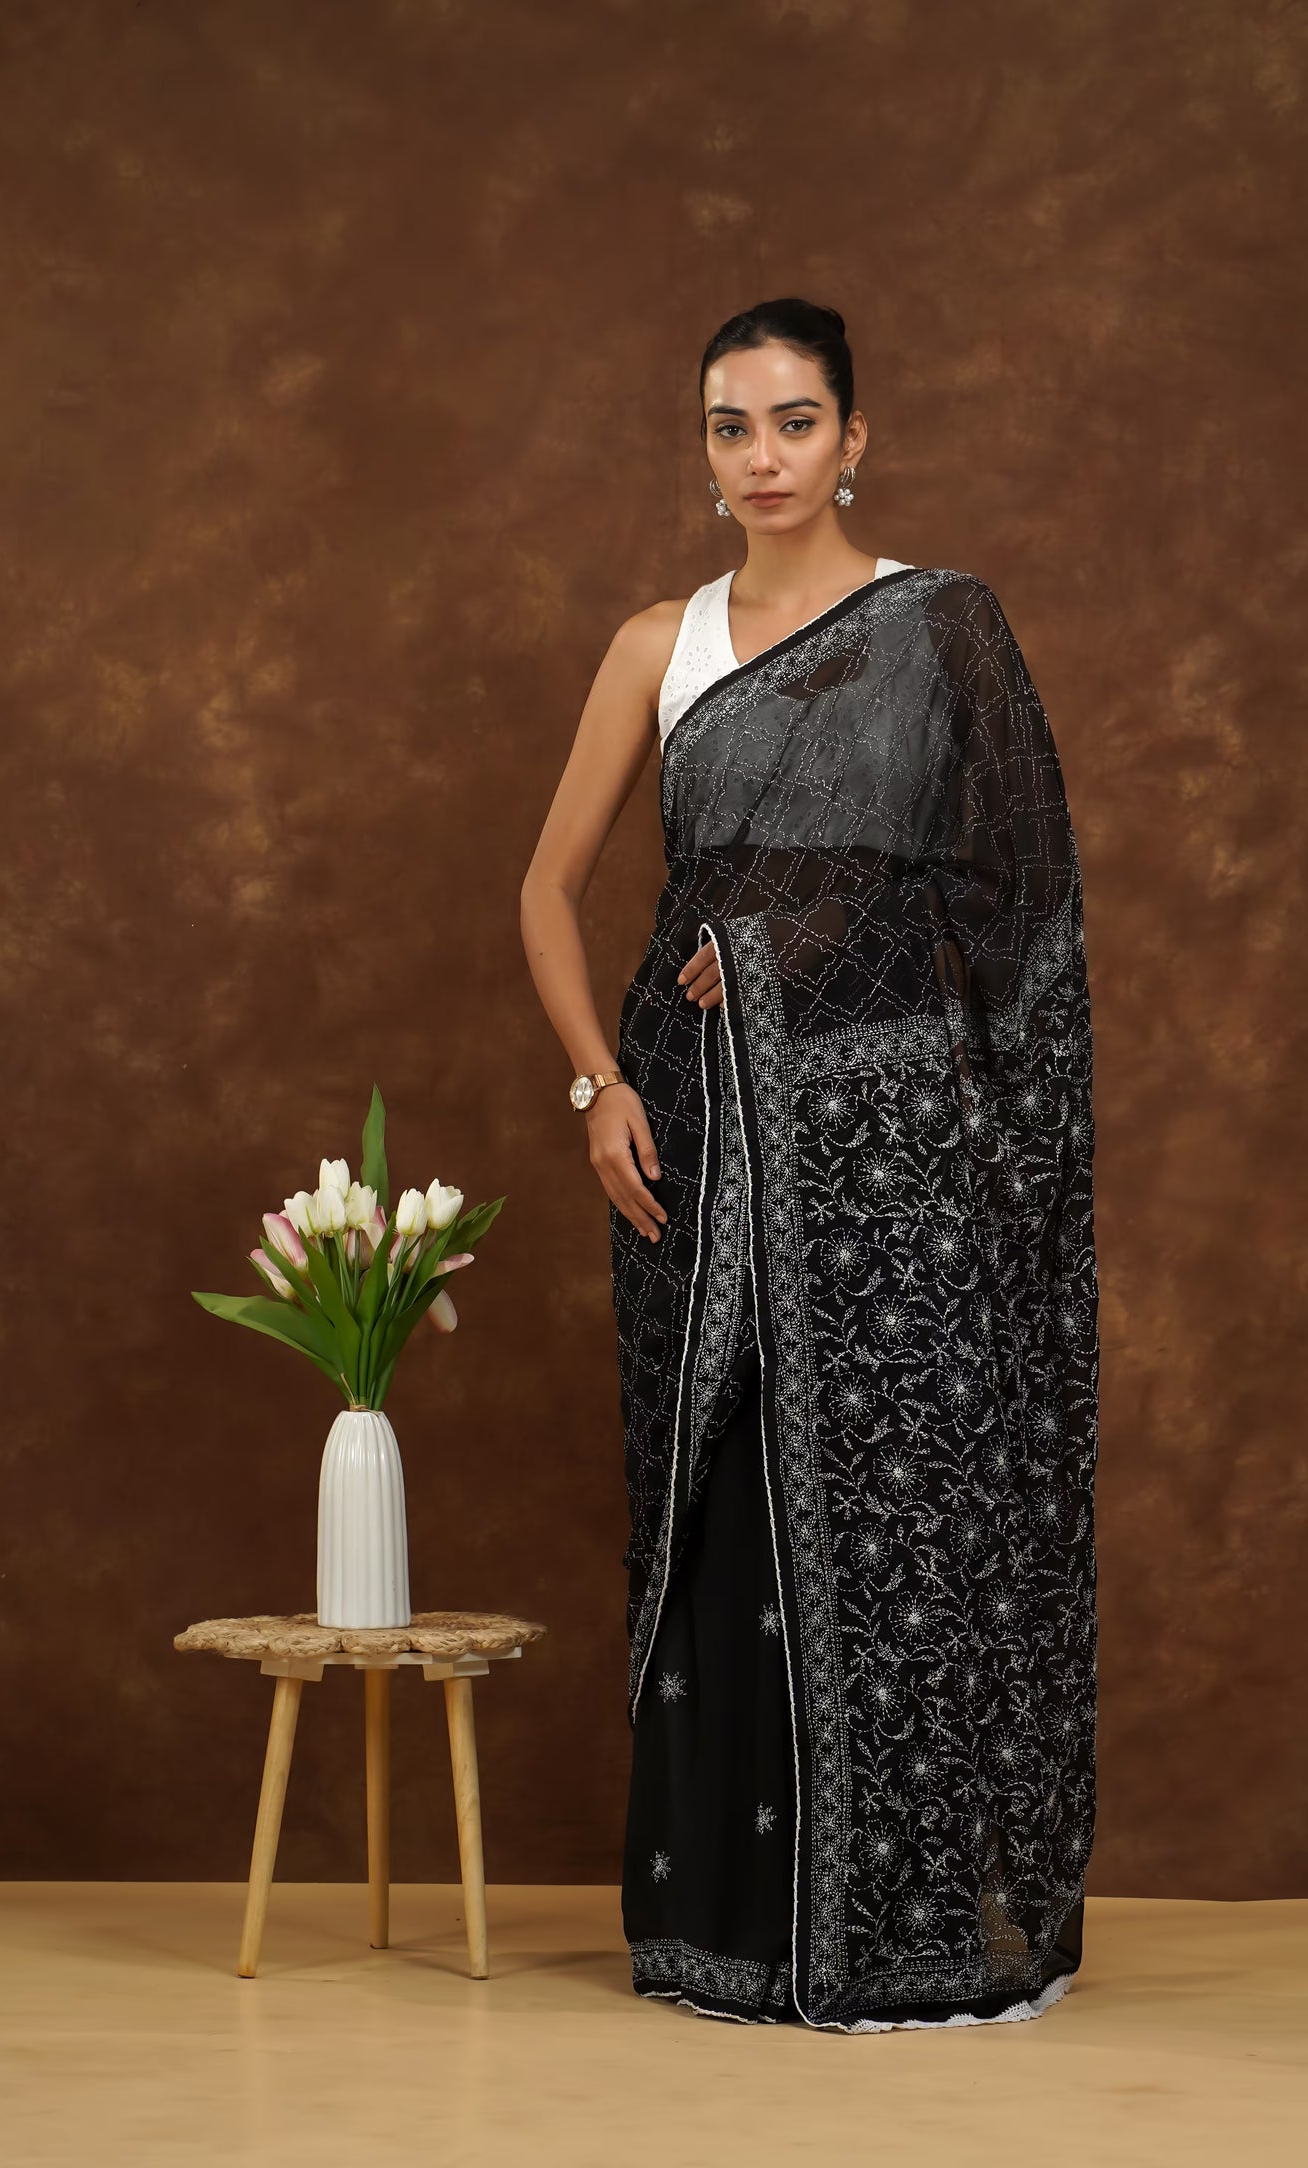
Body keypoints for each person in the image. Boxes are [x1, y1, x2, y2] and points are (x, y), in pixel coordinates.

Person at [519, 298, 1099, 2031]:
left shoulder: (940, 628)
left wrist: (784, 967)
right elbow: (546, 892)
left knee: (893, 1500)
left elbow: (1013, 902)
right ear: (701, 451)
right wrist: (595, 1087)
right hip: (694, 1124)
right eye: (726, 427)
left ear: (857, 438)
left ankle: (908, 1932)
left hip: (896, 1139)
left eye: (790, 423)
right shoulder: (658, 643)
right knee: (721, 1507)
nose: (759, 459)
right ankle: (725, 1934)